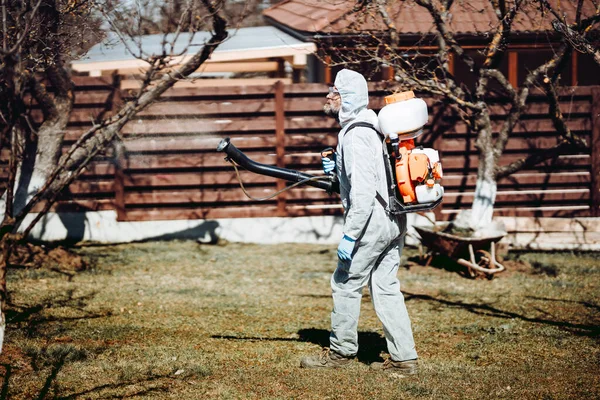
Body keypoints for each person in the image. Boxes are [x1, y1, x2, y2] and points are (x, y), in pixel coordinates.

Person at [299, 69, 418, 374]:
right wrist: (335, 169)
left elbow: (364, 193)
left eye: (334, 91)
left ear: (347, 97)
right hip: (393, 218)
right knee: (386, 286)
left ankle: (341, 353)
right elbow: (370, 178)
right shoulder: (372, 125)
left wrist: (350, 236)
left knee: (345, 283)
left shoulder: (355, 135)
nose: (328, 95)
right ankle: (404, 359)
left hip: (371, 223)